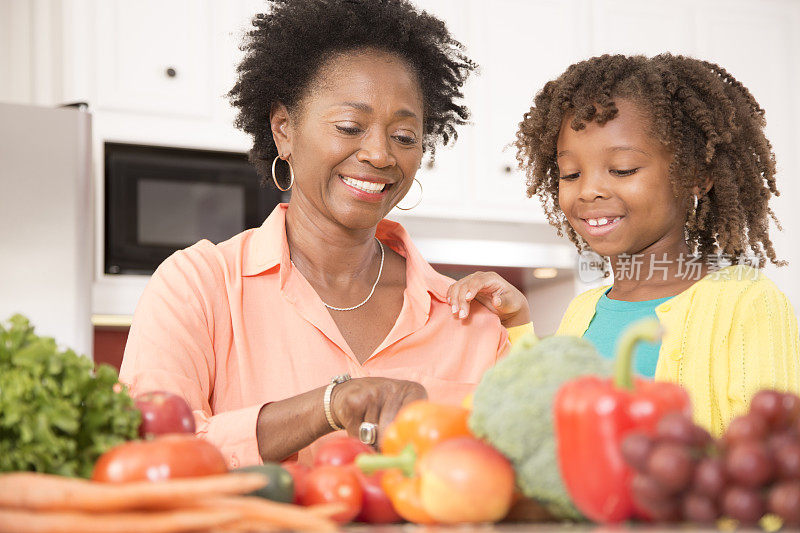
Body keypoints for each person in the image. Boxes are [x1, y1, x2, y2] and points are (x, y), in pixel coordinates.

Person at [120, 0, 512, 468]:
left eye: (404, 137)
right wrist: (328, 406)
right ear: (284, 130)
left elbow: (519, 474)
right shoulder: (197, 286)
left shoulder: (471, 320)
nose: (380, 154)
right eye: (350, 126)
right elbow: (152, 456)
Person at [449, 54, 799, 436]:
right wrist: (517, 322)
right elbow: (552, 438)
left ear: (697, 176)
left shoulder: (745, 302)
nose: (589, 190)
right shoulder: (584, 310)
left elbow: (772, 465)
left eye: (623, 170)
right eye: (571, 173)